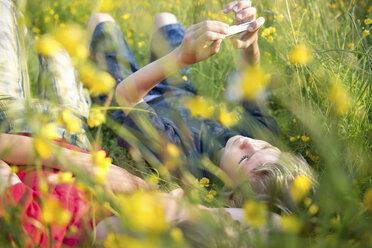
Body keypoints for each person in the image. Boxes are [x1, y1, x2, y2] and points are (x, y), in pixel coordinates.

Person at [87, 0, 316, 214]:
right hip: (178, 90)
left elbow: (127, 95)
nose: (248, 143)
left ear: (231, 195)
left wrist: (181, 57)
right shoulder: (257, 137)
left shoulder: (185, 161)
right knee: (165, 19)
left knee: (100, 20)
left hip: (130, 101)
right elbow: (249, 84)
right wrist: (249, 43)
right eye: (264, 147)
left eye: (244, 159)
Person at [0, 0, 149, 246]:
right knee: (57, 52)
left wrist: (79, 163)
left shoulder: (35, 234)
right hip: (72, 128)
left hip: (13, 122)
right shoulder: (134, 203)